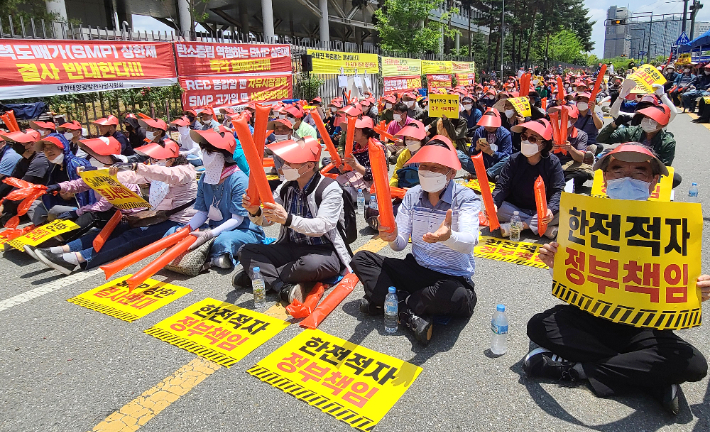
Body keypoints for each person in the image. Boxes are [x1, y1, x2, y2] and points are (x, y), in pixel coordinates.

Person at [524, 144, 709, 416]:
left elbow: (680, 278)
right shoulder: (585, 216)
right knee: (539, 325)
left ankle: (578, 370)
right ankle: (647, 376)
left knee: (693, 365)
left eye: (639, 172)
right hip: (592, 317)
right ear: (605, 177)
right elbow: (576, 282)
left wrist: (697, 291)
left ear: (654, 181)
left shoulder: (670, 223)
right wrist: (555, 265)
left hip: (645, 326)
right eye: (618, 170)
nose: (627, 178)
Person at [352, 136, 479, 345]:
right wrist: (392, 237)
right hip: (418, 268)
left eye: (436, 168)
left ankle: (392, 302)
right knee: (362, 258)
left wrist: (449, 237)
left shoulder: (465, 198)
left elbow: (468, 242)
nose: (428, 171)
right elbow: (400, 244)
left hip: (451, 276)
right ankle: (409, 310)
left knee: (456, 295)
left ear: (452, 173)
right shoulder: (412, 195)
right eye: (424, 166)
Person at [34, 138, 197, 274]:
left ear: (172, 158)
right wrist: (65, 185)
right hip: (156, 216)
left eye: (156, 159)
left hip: (177, 222)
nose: (153, 161)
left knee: (131, 236)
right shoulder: (156, 169)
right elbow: (130, 176)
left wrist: (137, 166)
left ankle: (78, 258)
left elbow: (164, 174)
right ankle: (63, 249)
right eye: (152, 159)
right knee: (113, 229)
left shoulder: (184, 171)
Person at [236, 137, 351, 304]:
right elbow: (268, 221)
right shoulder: (285, 187)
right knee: (246, 250)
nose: (284, 167)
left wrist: (288, 219)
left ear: (310, 166)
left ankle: (257, 275)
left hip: (323, 250)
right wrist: (256, 212)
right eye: (285, 162)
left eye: (291, 163)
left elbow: (322, 226)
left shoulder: (329, 188)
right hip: (290, 247)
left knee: (310, 265)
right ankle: (281, 287)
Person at [159, 129, 266, 269]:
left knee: (223, 240)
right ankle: (211, 255)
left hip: (243, 229)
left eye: (210, 152)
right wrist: (187, 228)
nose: (205, 156)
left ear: (224, 156)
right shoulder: (205, 177)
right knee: (174, 231)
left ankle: (214, 255)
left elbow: (237, 219)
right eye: (204, 151)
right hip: (214, 226)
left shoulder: (239, 180)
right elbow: (202, 212)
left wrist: (210, 234)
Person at [493, 119, 565, 239]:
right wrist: (494, 203)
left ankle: (521, 226)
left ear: (543, 144)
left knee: (562, 212)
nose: (526, 141)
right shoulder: (514, 160)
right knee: (498, 209)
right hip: (516, 208)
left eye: (532, 139)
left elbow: (558, 190)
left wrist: (550, 210)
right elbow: (502, 186)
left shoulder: (553, 162)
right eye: (524, 137)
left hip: (542, 210)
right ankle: (542, 228)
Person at [30, 133, 94, 226]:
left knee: (55, 210)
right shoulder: (54, 166)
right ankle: (41, 228)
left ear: (62, 147)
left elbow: (86, 193)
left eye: (52, 147)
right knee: (33, 205)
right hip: (60, 202)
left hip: (79, 207)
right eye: (45, 149)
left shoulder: (76, 164)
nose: (48, 151)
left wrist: (70, 195)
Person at [458, 108, 512, 181]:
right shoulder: (479, 131)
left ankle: (486, 174)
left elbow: (506, 156)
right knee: (458, 153)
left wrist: (491, 152)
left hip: (496, 166)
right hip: (480, 165)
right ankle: (486, 175)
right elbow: (471, 152)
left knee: (509, 159)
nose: (489, 127)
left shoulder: (505, 134)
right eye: (487, 124)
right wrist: (476, 148)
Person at [549, 105, 593, 188]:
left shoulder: (581, 135)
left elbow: (580, 158)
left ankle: (560, 186)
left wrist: (570, 149)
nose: (559, 119)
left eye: (563, 116)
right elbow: (538, 155)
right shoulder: (548, 132)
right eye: (558, 116)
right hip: (550, 165)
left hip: (569, 167)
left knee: (582, 174)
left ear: (573, 120)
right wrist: (550, 149)